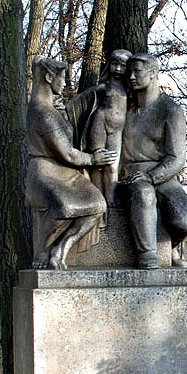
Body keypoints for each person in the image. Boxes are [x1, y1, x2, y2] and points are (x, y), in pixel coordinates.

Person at [25, 55, 117, 270]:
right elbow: (66, 153)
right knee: (64, 206)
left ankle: (62, 249)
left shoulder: (53, 110)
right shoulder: (42, 112)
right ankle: (43, 249)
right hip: (46, 173)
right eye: (62, 78)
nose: (65, 83)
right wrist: (93, 159)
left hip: (68, 174)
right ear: (49, 77)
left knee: (97, 205)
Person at [119, 53, 187, 269]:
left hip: (162, 174)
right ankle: (148, 254)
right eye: (129, 72)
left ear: (153, 73)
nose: (132, 77)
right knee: (143, 194)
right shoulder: (124, 107)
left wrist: (152, 176)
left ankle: (169, 247)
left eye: (138, 72)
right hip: (129, 175)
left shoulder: (170, 110)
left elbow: (176, 157)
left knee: (184, 220)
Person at [83, 49, 132, 207]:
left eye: (122, 66)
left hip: (116, 131)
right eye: (115, 64)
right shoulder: (103, 87)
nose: (118, 69)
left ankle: (110, 198)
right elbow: (82, 101)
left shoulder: (129, 91)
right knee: (97, 164)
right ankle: (98, 197)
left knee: (111, 165)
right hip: (99, 124)